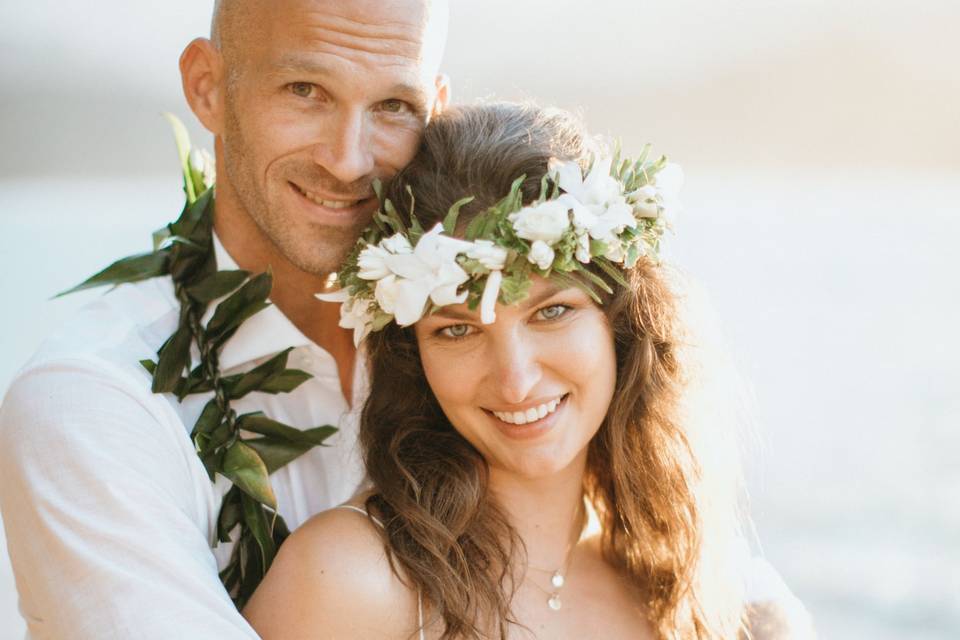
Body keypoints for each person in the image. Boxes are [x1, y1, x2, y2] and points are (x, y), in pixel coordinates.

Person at [242, 103, 816, 639]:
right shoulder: (351, 581)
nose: (515, 381)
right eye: (457, 330)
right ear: (413, 357)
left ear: (621, 324)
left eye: (552, 312)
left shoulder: (691, 584)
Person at [0, 0, 449, 637]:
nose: (350, 161)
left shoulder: (472, 347)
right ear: (206, 87)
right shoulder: (93, 400)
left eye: (392, 106)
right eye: (305, 90)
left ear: (436, 108)